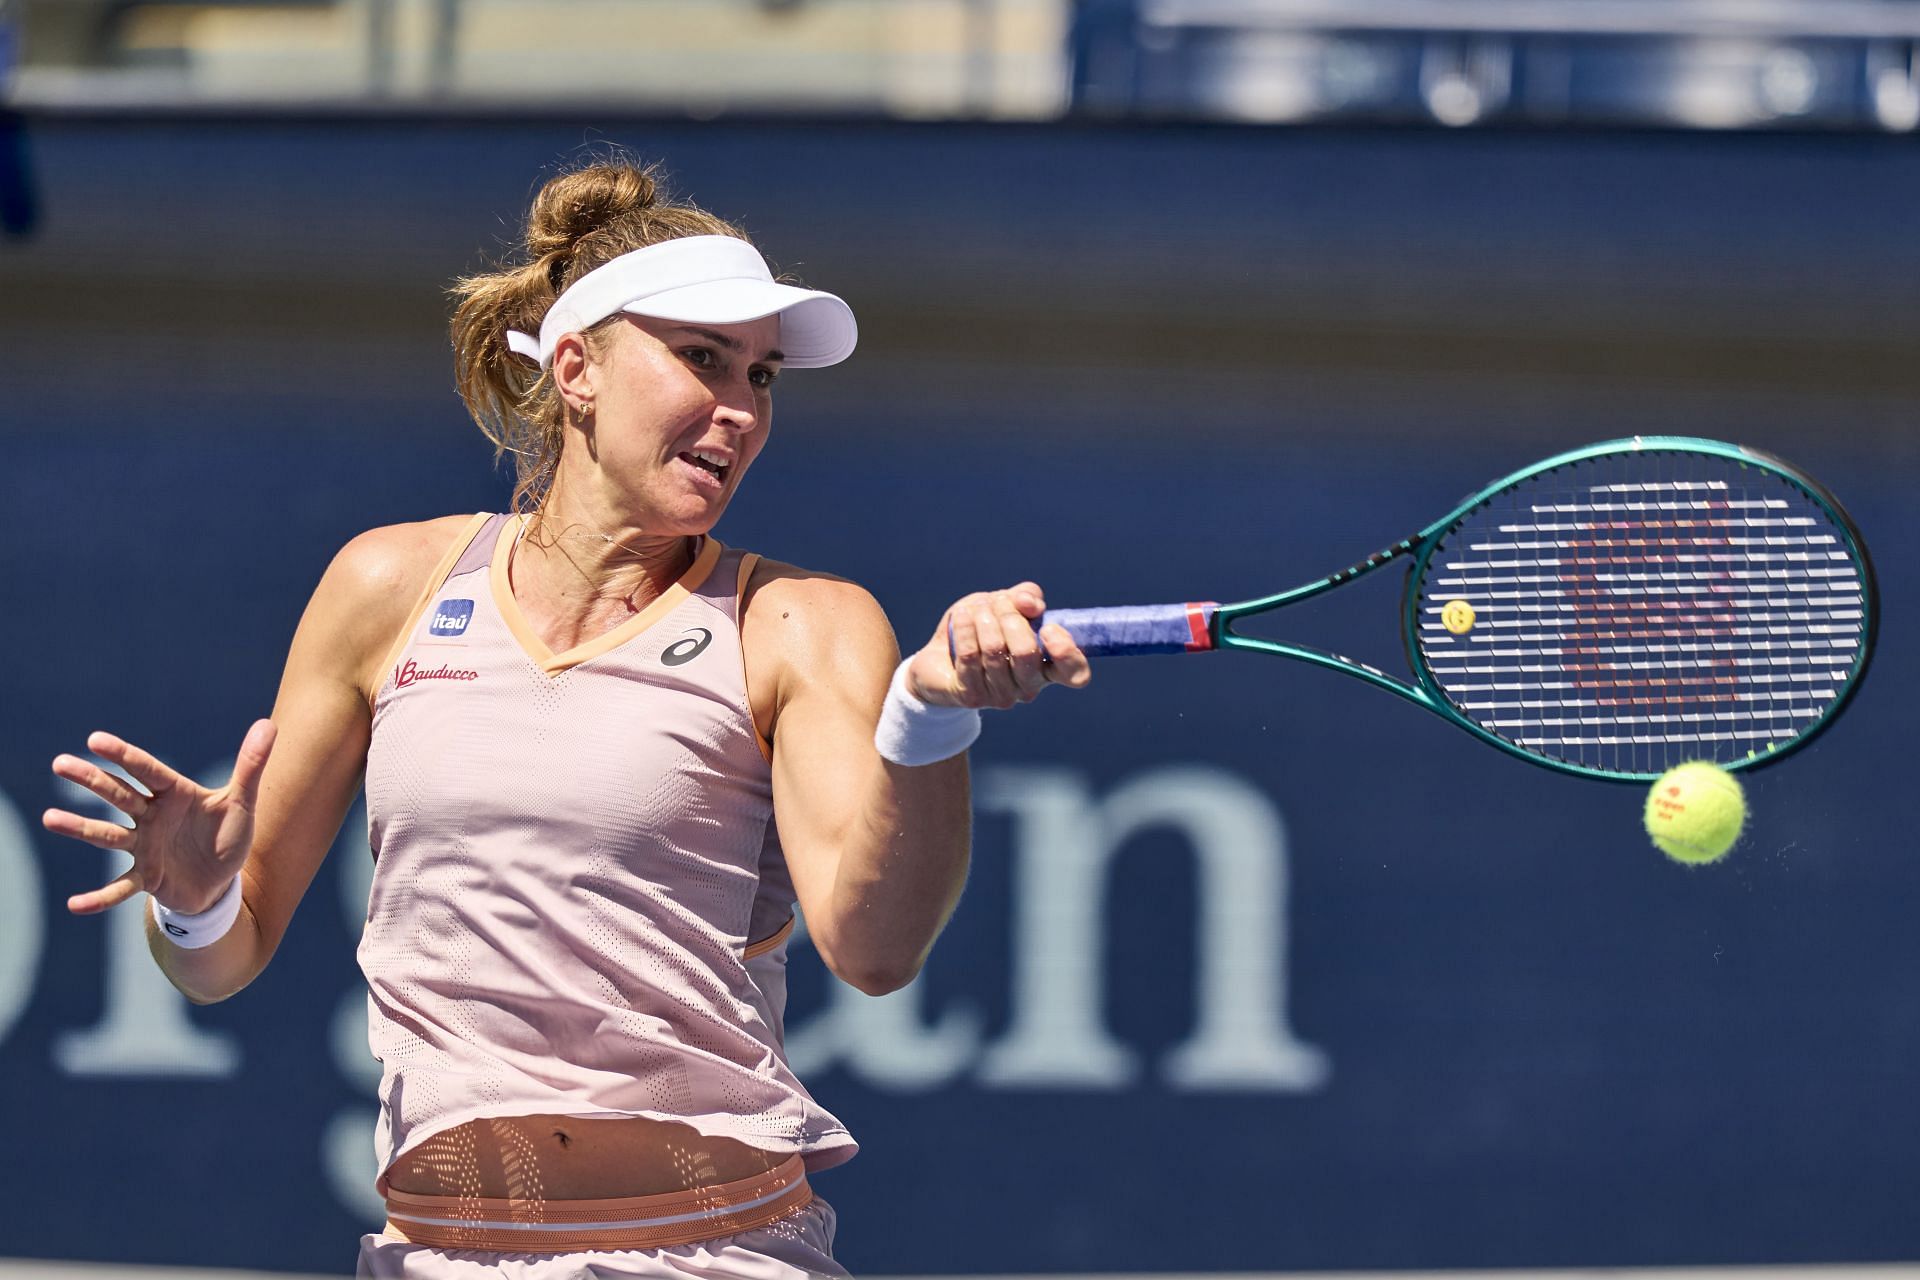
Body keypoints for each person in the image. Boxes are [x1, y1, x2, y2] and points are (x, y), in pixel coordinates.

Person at [42, 157, 1091, 1279]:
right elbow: (221, 956)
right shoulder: (386, 584)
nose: (740, 409)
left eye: (764, 376)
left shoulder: (802, 623)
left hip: (716, 1255)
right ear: (579, 368)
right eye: (701, 359)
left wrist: (930, 718)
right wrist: (196, 900)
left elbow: (876, 949)